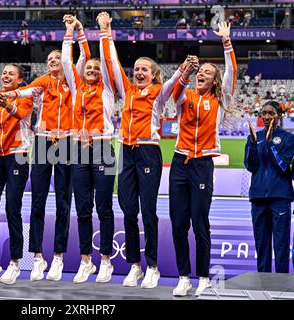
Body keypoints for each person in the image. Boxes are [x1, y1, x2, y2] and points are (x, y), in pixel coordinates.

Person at [0, 20, 89, 282]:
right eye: (50, 58)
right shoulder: (43, 81)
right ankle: (37, 257)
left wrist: (76, 33)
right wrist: (11, 96)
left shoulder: (74, 79)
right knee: (37, 200)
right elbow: (26, 92)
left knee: (63, 201)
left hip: (66, 144)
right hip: (41, 143)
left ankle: (58, 257)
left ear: (66, 60)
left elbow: (84, 56)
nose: (53, 60)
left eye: (58, 57)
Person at [106, 12, 187, 289]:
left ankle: (152, 265)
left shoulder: (158, 93)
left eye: (145, 69)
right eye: (137, 69)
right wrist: (106, 31)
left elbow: (173, 83)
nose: (138, 72)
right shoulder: (127, 90)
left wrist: (183, 70)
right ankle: (134, 265)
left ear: (153, 74)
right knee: (128, 210)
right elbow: (113, 64)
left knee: (148, 210)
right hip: (126, 152)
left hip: (148, 152)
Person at [169, 21, 237, 297]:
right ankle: (184, 276)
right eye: (201, 71)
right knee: (178, 223)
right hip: (179, 163)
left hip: (202, 165)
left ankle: (204, 277)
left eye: (208, 72)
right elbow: (173, 92)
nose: (202, 74)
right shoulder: (186, 97)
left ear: (215, 80)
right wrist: (186, 69)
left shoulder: (220, 100)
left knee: (200, 223)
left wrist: (226, 42)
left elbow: (231, 71)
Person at [61, 14, 116, 283]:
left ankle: (106, 259)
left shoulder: (106, 88)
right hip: (79, 150)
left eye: (96, 69)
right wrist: (72, 32)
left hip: (104, 149)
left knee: (103, 207)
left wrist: (102, 31)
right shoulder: (76, 87)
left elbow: (106, 61)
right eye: (89, 68)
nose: (92, 70)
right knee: (82, 208)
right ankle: (86, 260)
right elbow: (65, 61)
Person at [0, 64, 33, 284]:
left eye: (11, 73)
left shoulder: (26, 96)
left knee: (13, 207)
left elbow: (20, 114)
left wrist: (7, 105)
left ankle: (15, 262)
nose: (5, 76)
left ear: (20, 80)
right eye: (4, 73)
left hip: (18, 155)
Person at [245, 101, 294, 274]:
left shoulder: (288, 138)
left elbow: (283, 167)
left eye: (271, 113)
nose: (266, 117)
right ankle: (262, 283)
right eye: (263, 113)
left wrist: (270, 144)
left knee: (281, 245)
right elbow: (250, 166)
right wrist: (252, 144)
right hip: (258, 198)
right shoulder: (254, 137)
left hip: (280, 197)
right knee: (262, 245)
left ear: (279, 116)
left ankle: (281, 284)